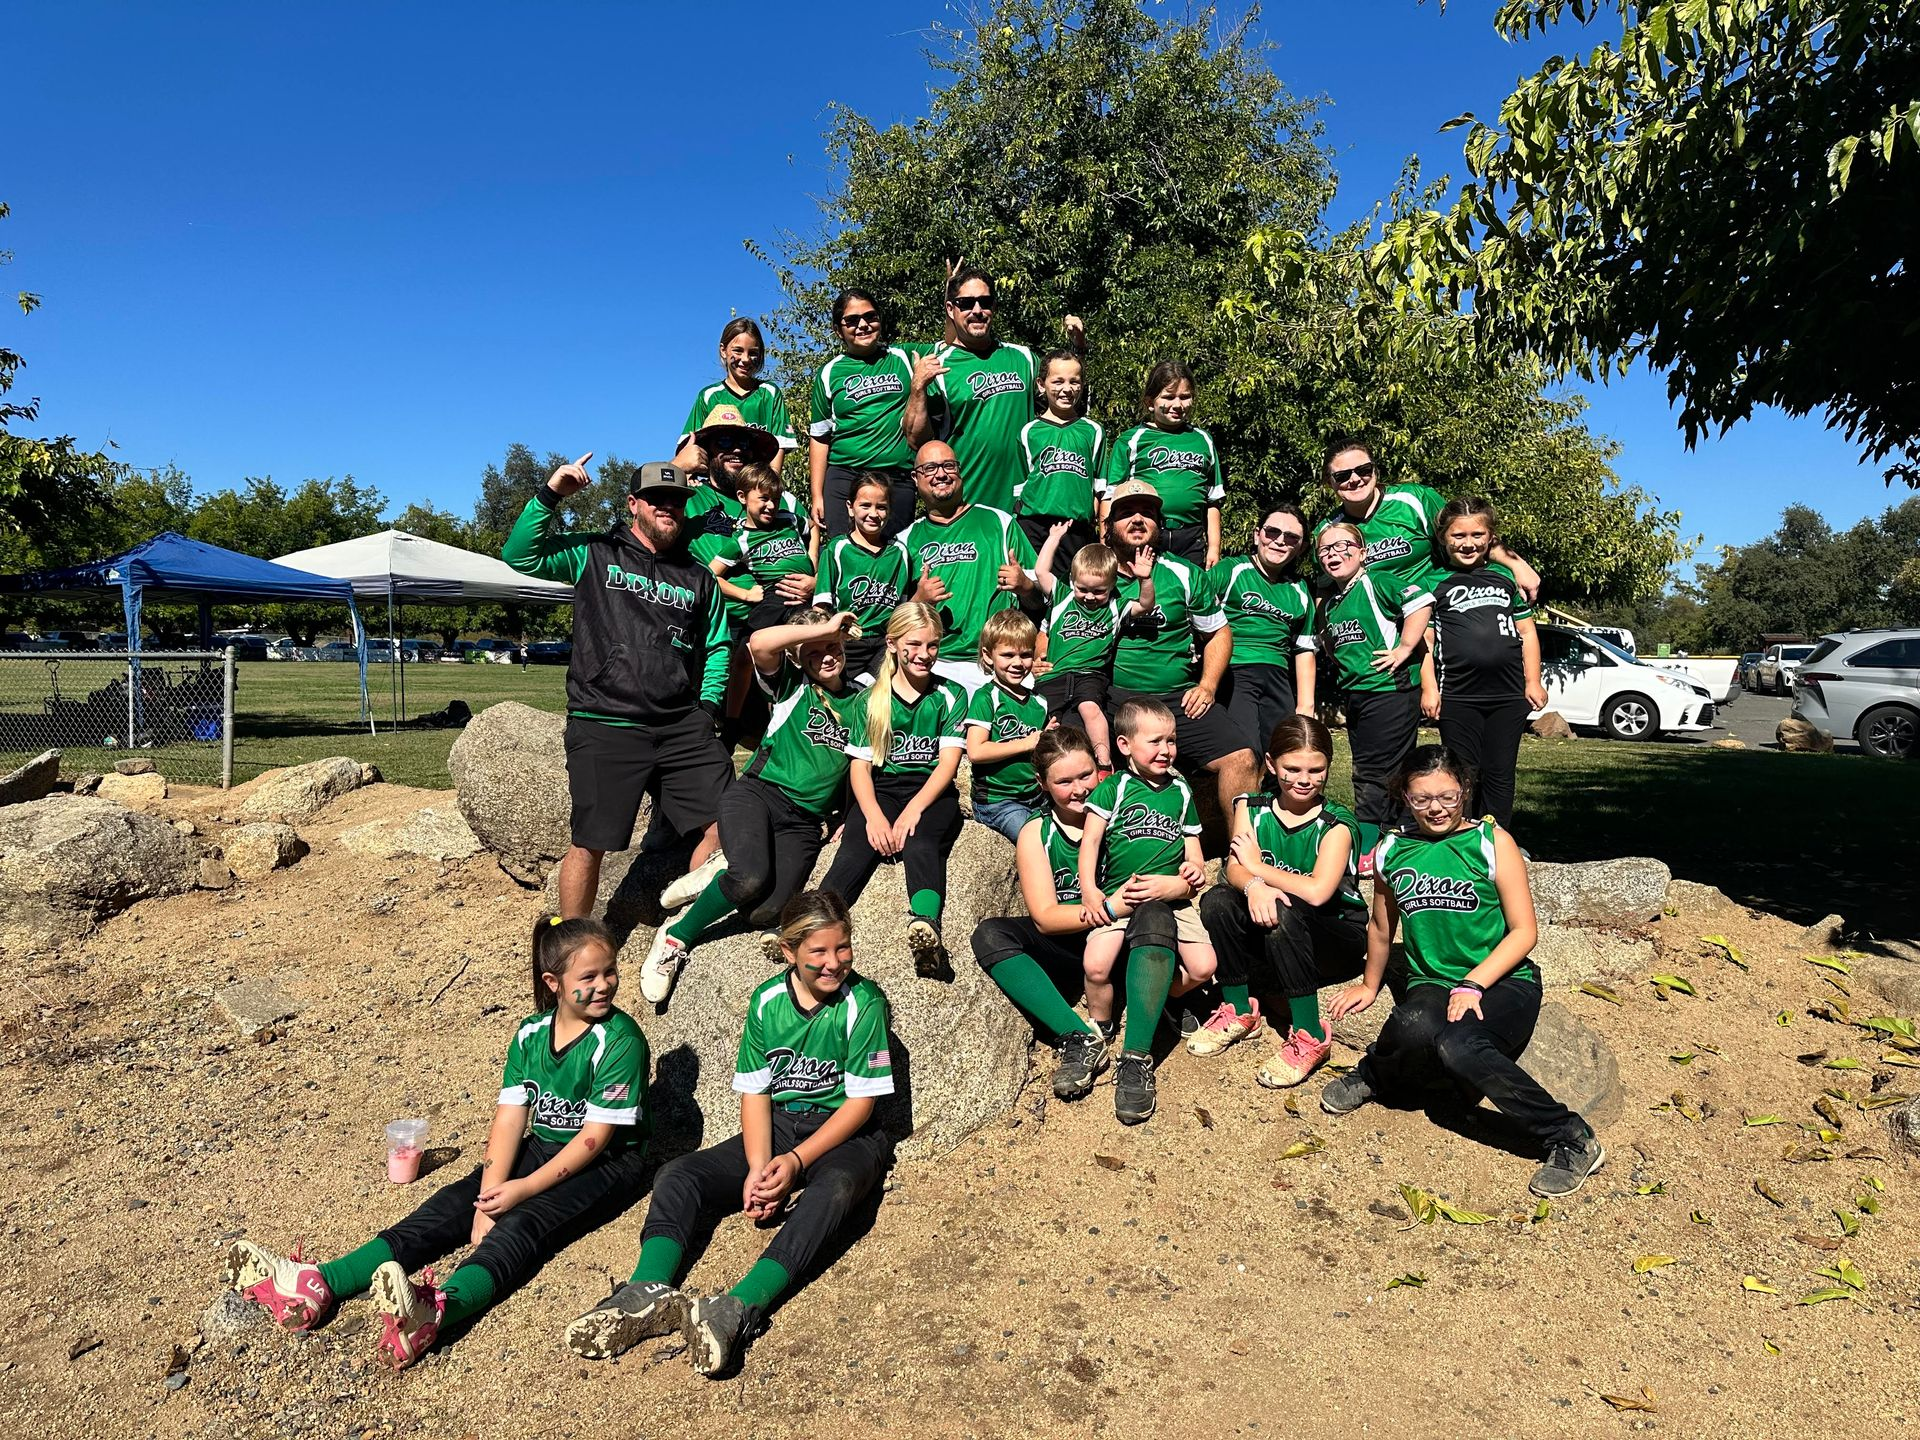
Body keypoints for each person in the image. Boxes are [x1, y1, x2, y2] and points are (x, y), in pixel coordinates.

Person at [225, 917, 651, 1369]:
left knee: (524, 1221)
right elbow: (510, 1120)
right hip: (546, 1142)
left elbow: (593, 1138)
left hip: (610, 1162)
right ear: (554, 982)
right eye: (589, 976)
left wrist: (519, 1192)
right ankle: (324, 1281)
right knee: (452, 1203)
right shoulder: (530, 1033)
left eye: (611, 972)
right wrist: (488, 1196)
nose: (605, 985)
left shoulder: (620, 1040)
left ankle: (437, 1311)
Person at [566, 890, 894, 1378]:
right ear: (789, 952)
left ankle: (739, 1306)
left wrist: (797, 1163)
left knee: (836, 1190)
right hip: (781, 1124)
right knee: (680, 1175)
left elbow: (862, 1103)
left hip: (847, 1134)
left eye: (842, 948)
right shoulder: (766, 1002)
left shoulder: (863, 1002)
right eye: (818, 952)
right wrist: (761, 1167)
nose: (834, 963)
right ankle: (648, 1287)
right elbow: (756, 1092)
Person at [1323, 746, 1607, 1198]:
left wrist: (1474, 983)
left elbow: (1523, 931)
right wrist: (1370, 984)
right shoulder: (1392, 850)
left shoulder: (1492, 844)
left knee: (1460, 1047)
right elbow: (1381, 924)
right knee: (1412, 1025)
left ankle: (1569, 1136)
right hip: (1432, 981)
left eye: (1448, 797)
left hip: (1503, 978)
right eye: (1421, 799)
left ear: (1466, 791)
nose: (1435, 808)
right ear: (1404, 798)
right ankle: (1375, 1076)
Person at [501, 456, 731, 923]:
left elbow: (719, 645)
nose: (667, 507)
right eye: (656, 499)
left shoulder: (698, 576)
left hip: (680, 725)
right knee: (590, 844)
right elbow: (520, 555)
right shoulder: (595, 552)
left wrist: (706, 709)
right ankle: (575, 942)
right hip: (606, 719)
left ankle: (680, 932)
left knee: (730, 822)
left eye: (676, 500)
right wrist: (552, 494)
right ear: (634, 504)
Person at [641, 609, 867, 1003]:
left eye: (833, 647)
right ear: (798, 657)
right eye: (814, 652)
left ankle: (721, 870)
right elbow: (758, 643)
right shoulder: (792, 684)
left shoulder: (863, 702)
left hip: (803, 822)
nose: (826, 657)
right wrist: (826, 627)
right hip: (758, 796)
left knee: (766, 912)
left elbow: (858, 767)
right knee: (748, 878)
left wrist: (848, 816)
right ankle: (676, 937)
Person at [972, 727, 1186, 1100]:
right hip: (1074, 946)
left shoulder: (1129, 815)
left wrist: (1180, 884)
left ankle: (1137, 1054)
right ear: (1042, 783)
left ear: (1101, 770)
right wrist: (1110, 907)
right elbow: (1044, 917)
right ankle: (1079, 1036)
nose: (1079, 789)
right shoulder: (1036, 832)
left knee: (1155, 915)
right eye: (1064, 781)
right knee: (989, 934)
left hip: (1129, 942)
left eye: (1086, 775)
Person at [1193, 715, 1367, 1087]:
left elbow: (1319, 891)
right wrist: (1254, 883)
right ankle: (1239, 1009)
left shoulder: (1338, 824)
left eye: (1316, 770)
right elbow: (1235, 871)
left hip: (1335, 936)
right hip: (1277, 930)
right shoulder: (1250, 806)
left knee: (1282, 909)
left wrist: (1256, 868)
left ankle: (1310, 1034)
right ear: (1272, 764)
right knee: (1218, 900)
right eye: (1292, 768)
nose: (1304, 779)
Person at [1077, 697, 1217, 1125]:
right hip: (1123, 896)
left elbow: (1194, 854)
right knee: (1096, 965)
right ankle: (1100, 1027)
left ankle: (1161, 1000)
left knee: (1203, 965)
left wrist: (1190, 873)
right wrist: (1088, 891)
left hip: (1172, 900)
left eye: (1171, 740)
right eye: (1154, 741)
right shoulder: (1114, 787)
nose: (1166, 750)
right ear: (1124, 745)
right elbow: (1091, 843)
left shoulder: (1179, 790)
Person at [820, 602, 967, 975]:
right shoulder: (870, 700)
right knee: (855, 848)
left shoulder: (950, 694)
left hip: (931, 791)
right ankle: (811, 924)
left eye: (932, 645)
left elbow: (947, 765)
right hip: (883, 789)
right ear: (891, 644)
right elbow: (860, 768)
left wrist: (914, 810)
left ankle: (926, 927)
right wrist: (871, 817)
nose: (924, 654)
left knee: (920, 842)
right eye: (914, 644)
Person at [1103, 480, 1259, 824]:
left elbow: (1218, 632)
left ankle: (1240, 858)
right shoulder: (1094, 570)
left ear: (1160, 524)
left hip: (1175, 699)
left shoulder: (1183, 573)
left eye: (1147, 513)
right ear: (1110, 524)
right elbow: (1057, 624)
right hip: (1112, 696)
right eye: (1126, 513)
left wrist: (1207, 686)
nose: (1138, 520)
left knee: (1242, 758)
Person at [903, 266, 1085, 514]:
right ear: (950, 309)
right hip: (968, 506)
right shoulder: (938, 364)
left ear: (994, 307)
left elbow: (1067, 402)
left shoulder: (1024, 358)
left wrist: (1078, 348)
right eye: (966, 303)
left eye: (984, 302)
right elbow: (916, 441)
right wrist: (918, 388)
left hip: (1028, 507)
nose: (977, 311)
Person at [1313, 520, 1435, 870]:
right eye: (1325, 549)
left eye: (1343, 546)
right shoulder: (1334, 602)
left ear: (1362, 552)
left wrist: (1405, 647)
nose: (1334, 554)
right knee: (1368, 766)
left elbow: (1421, 601)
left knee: (1378, 769)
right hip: (1358, 694)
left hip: (1389, 691)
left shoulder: (1376, 582)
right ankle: (1393, 830)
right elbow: (1334, 645)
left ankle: (1375, 837)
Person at [1421, 497, 1546, 831]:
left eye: (1477, 534)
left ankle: (1496, 837)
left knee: (1500, 770)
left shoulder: (1505, 577)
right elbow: (1426, 642)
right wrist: (1430, 688)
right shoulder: (1433, 583)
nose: (1468, 543)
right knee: (1463, 770)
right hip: (1458, 696)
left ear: (1491, 538)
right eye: (1458, 536)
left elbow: (1528, 633)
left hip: (1507, 696)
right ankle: (1462, 833)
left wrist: (1532, 681)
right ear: (1443, 538)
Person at [1313, 436, 1541, 601]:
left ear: (1375, 471)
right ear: (1329, 482)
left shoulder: (1415, 499)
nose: (1355, 479)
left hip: (1435, 614)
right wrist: (1326, 633)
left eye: (1363, 469)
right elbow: (1324, 589)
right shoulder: (1327, 531)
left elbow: (1466, 532)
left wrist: (1517, 565)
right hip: (1374, 634)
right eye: (1342, 475)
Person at [900, 439, 1040, 696]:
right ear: (915, 477)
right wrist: (919, 600)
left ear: (960, 471)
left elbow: (1040, 601)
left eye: (948, 466)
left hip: (998, 663)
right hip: (936, 664)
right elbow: (891, 621)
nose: (941, 474)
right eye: (930, 468)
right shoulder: (905, 540)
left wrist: (1025, 586)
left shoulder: (1000, 522)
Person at [1031, 524, 1156, 770]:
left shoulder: (1115, 608)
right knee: (1047, 717)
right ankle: (1041, 768)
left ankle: (1103, 761)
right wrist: (1054, 538)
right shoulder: (1063, 596)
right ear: (1072, 581)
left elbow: (1146, 604)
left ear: (1111, 586)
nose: (1089, 597)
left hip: (1090, 674)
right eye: (1083, 589)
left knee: (1090, 709)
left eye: (1099, 591)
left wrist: (1145, 579)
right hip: (1054, 673)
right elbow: (1040, 570)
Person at [808, 289, 922, 541]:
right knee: (843, 554)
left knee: (895, 555)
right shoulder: (829, 372)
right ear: (839, 330)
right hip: (845, 476)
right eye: (851, 320)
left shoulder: (904, 356)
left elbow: (950, 343)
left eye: (870, 317)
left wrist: (952, 295)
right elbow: (819, 437)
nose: (862, 325)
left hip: (897, 477)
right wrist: (817, 495)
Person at [1211, 504, 1318, 755]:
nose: (1280, 541)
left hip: (1278, 676)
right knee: (1247, 749)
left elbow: (1304, 649)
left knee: (1282, 751)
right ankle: (1245, 795)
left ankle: (1268, 796)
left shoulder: (1299, 590)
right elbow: (1194, 607)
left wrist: (1305, 705)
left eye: (1291, 538)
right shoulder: (1231, 570)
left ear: (1301, 548)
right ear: (1257, 534)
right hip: (1235, 669)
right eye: (1272, 532)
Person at [1101, 361, 1224, 567]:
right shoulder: (1132, 439)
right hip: (1144, 533)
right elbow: (1110, 496)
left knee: (1188, 593)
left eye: (1185, 397)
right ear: (1150, 401)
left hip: (1191, 537)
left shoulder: (1203, 439)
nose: (1178, 404)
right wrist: (1106, 544)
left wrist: (1214, 548)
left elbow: (1213, 500)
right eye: (1168, 397)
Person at [676, 404, 808, 568]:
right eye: (725, 442)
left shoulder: (780, 499)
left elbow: (818, 541)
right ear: (706, 451)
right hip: (714, 590)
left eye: (744, 443)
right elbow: (643, 518)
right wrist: (677, 466)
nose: (737, 450)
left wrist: (816, 580)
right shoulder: (688, 500)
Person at [1016, 348, 1106, 582]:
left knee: (1070, 591)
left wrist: (1091, 523)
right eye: (1058, 381)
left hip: (1075, 529)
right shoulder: (1029, 431)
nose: (1066, 389)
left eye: (1074, 381)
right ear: (1041, 384)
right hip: (1033, 526)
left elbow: (1100, 487)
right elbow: (1019, 487)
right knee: (1032, 591)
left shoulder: (1093, 431)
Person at [813, 473, 911, 681]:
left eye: (881, 507)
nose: (873, 514)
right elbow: (821, 606)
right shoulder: (837, 549)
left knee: (880, 698)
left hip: (884, 644)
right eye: (865, 505)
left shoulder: (899, 552)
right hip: (847, 643)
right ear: (850, 507)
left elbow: (902, 606)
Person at [963, 608, 1048, 842]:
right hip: (998, 802)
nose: (1018, 663)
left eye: (1025, 655)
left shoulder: (1039, 702)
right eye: (1008, 655)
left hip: (1037, 796)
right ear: (989, 656)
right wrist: (1028, 743)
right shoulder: (986, 697)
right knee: (1034, 840)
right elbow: (976, 751)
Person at [678, 317, 798, 472]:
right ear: (723, 350)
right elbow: (690, 445)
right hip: (717, 485)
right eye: (738, 350)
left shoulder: (769, 393)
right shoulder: (709, 396)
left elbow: (780, 444)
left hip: (756, 485)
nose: (745, 359)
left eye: (753, 353)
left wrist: (770, 484)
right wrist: (690, 477)